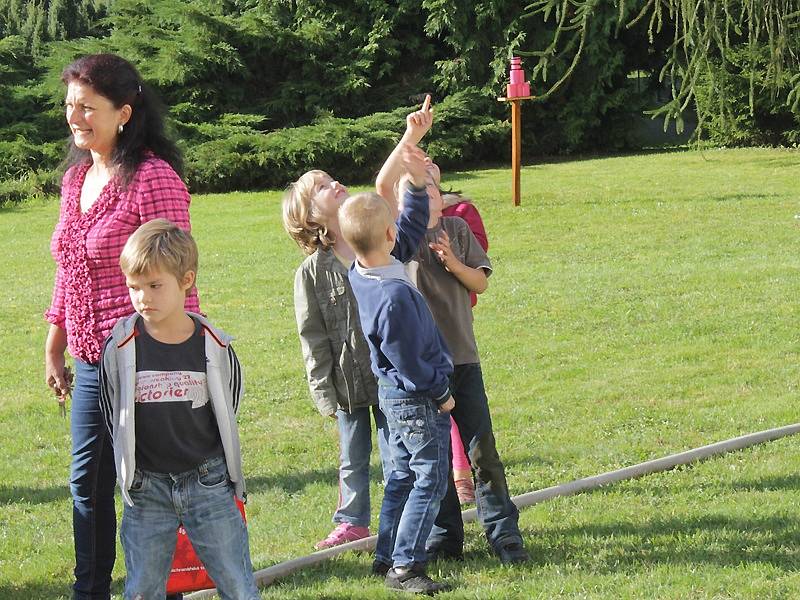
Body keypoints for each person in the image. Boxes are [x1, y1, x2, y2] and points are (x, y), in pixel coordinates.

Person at [44, 52, 199, 600]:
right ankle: (90, 592)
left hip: (145, 359)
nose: (75, 117)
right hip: (90, 360)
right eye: (70, 106)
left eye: (88, 107)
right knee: (87, 484)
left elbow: (180, 274)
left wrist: (182, 361)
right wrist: (55, 342)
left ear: (124, 113)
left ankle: (159, 588)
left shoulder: (153, 177)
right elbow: (70, 266)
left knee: (150, 487)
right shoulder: (75, 178)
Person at [282, 97, 434, 550]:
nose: (337, 184)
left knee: (396, 451)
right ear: (311, 217)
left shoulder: (373, 243)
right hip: (346, 383)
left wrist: (412, 137)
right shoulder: (310, 273)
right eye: (325, 186)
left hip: (388, 376)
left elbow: (386, 182)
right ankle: (352, 519)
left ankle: (398, 517)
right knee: (352, 454)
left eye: (332, 179)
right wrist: (322, 389)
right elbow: (312, 336)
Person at [376, 155, 529, 565]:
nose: (427, 197)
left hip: (463, 360)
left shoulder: (458, 229)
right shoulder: (398, 242)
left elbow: (480, 281)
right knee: (437, 459)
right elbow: (382, 185)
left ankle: (504, 532)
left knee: (483, 452)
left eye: (432, 189)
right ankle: (445, 538)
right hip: (425, 371)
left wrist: (454, 263)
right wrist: (408, 146)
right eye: (416, 191)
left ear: (442, 197)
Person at [98, 219, 259, 600]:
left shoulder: (215, 346)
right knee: (142, 588)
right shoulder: (120, 349)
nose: (143, 297)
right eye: (135, 287)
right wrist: (131, 473)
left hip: (208, 483)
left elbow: (228, 402)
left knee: (237, 582)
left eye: (155, 286)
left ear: (186, 280)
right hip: (147, 488)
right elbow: (113, 411)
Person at [340, 164, 454, 594]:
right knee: (429, 476)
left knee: (402, 474)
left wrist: (419, 186)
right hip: (415, 397)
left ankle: (385, 553)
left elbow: (406, 228)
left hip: (392, 395)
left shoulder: (366, 270)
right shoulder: (393, 296)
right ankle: (406, 564)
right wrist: (440, 392)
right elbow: (410, 361)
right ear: (386, 237)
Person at [435, 162, 490, 505]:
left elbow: (478, 268)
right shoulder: (398, 221)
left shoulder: (462, 212)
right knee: (439, 395)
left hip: (455, 318)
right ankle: (455, 474)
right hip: (420, 325)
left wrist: (453, 260)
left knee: (460, 391)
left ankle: (465, 472)